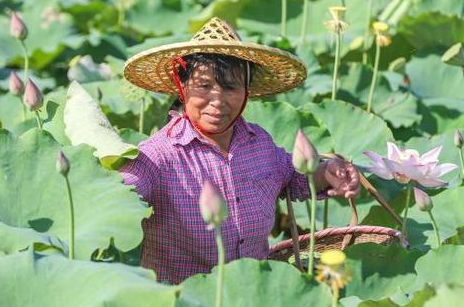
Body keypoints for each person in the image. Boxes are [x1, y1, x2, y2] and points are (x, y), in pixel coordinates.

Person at [120, 17, 360, 284]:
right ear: (182, 86)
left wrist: (330, 171)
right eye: (204, 86)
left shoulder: (259, 143)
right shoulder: (157, 156)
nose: (217, 101)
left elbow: (296, 177)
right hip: (181, 300)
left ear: (247, 91)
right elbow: (118, 193)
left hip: (252, 297)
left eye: (230, 87)